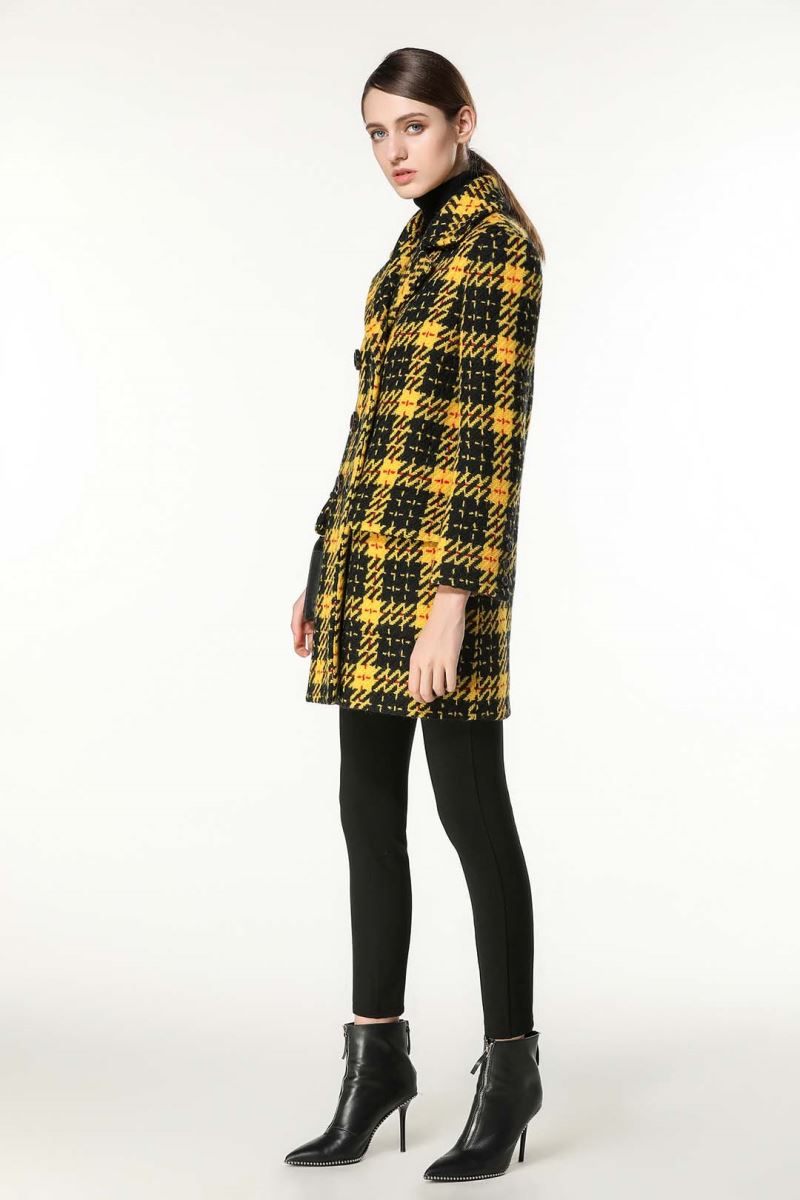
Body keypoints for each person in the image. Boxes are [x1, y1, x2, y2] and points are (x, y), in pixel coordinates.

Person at [287, 46, 545, 1182]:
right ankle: (376, 1060)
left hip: (444, 574)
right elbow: (377, 419)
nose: (394, 152)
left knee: (472, 818)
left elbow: (489, 440)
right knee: (366, 813)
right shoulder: (416, 240)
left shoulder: (493, 243)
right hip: (367, 561)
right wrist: (322, 555)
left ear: (461, 121)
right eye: (377, 134)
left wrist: (451, 603)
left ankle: (511, 1069)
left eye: (412, 128)